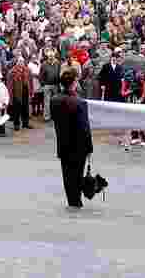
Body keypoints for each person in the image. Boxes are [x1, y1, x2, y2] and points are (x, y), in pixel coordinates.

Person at [51, 69, 93, 209]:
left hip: (63, 143)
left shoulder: (54, 100)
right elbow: (84, 128)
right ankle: (76, 201)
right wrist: (89, 148)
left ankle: (71, 200)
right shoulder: (80, 102)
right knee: (77, 174)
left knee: (67, 175)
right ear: (74, 83)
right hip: (78, 145)